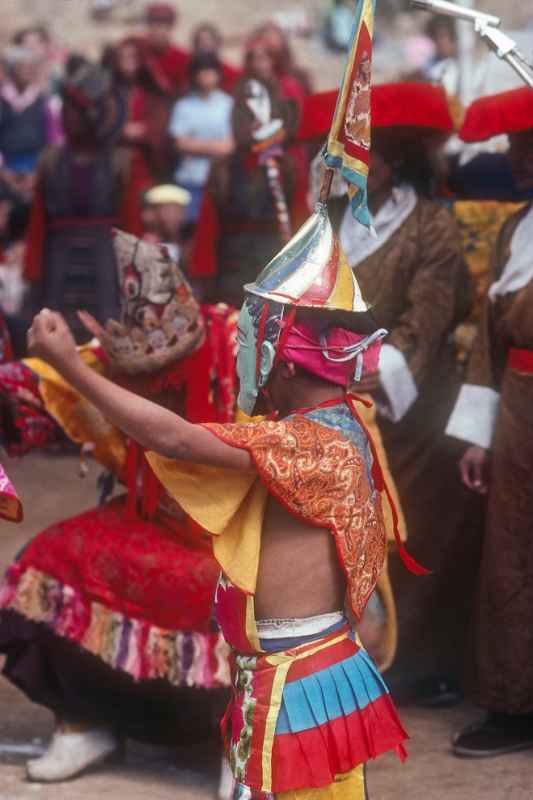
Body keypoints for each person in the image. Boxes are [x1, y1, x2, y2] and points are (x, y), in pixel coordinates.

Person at [25, 200, 417, 799]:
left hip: (296, 681)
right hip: (303, 671)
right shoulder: (340, 422)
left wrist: (68, 367)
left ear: (280, 361)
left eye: (254, 338)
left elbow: (174, 438)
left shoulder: (307, 445)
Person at [0, 230, 239, 784]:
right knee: (48, 557)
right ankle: (84, 723)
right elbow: (43, 392)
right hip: (152, 515)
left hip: (241, 528)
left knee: (247, 598)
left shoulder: (241, 349)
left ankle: (244, 742)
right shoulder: (111, 358)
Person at [302, 83, 474, 690]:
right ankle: (353, 646)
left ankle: (417, 665)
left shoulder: (432, 226)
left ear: (392, 161)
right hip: (335, 396)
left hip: (414, 406)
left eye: (362, 157)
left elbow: (429, 315)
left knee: (411, 528)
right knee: (342, 526)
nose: (350, 168)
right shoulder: (329, 221)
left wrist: (384, 364)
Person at [446, 86, 533, 757]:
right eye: (512, 148)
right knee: (509, 552)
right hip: (516, 400)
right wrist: (477, 430)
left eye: (528, 148)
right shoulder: (512, 228)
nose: (518, 160)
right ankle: (512, 704)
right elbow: (484, 333)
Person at [23, 62, 151, 341]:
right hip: (58, 264)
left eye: (72, 111)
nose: (65, 118)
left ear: (90, 116)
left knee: (106, 335)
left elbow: (132, 226)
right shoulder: (50, 160)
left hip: (106, 264)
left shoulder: (122, 162)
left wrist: (135, 275)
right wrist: (32, 273)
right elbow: (37, 223)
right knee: (56, 334)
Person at [189, 77, 298, 307]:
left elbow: (300, 220)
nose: (252, 120)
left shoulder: (286, 167)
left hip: (274, 272)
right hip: (230, 271)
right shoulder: (222, 168)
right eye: (245, 113)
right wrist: (203, 276)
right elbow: (207, 228)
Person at [169, 53, 234, 223]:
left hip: (219, 181)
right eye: (201, 71)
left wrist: (195, 145)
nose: (205, 75)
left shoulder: (228, 105)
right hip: (190, 179)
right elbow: (179, 143)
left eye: (210, 70)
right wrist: (215, 147)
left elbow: (229, 146)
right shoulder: (183, 106)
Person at [106, 36, 175, 178]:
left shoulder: (152, 91)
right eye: (123, 57)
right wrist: (120, 130)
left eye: (132, 56)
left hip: (146, 162)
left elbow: (162, 123)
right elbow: (100, 123)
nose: (128, 61)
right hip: (114, 160)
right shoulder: (109, 92)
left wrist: (146, 130)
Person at [0, 47, 60, 197]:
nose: (26, 71)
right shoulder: (2, 100)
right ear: (11, 71)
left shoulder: (44, 101)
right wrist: (3, 171)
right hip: (6, 166)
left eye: (30, 68)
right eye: (21, 67)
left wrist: (39, 170)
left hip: (36, 166)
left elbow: (53, 138)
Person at [141, 2, 190, 97]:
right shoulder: (137, 50)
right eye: (155, 24)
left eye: (164, 25)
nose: (159, 30)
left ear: (171, 27)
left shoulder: (183, 57)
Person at [191, 22, 242, 93]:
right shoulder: (189, 73)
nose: (204, 46)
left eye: (207, 41)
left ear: (217, 44)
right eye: (200, 42)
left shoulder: (232, 73)